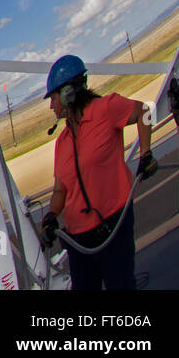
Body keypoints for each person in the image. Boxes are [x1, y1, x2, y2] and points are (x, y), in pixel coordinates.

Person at [37, 54, 157, 290]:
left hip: (113, 224)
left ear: (67, 93)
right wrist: (51, 215)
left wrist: (146, 154)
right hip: (78, 238)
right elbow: (60, 190)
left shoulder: (106, 109)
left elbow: (145, 111)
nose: (51, 106)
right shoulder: (62, 142)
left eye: (53, 98)